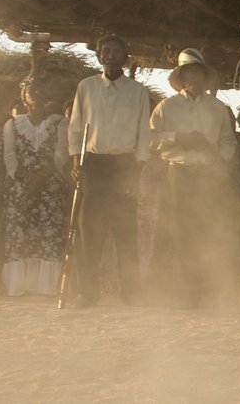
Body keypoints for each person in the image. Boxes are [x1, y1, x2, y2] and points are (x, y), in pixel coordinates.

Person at [150, 49, 239, 307]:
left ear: (204, 76)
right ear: (180, 76)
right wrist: (177, 137)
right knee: (181, 232)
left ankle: (209, 289)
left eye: (198, 72)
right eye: (188, 72)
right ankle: (185, 291)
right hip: (179, 174)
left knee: (209, 231)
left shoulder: (218, 108)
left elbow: (227, 141)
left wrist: (219, 163)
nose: (194, 76)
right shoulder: (167, 107)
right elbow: (150, 138)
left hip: (209, 175)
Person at [68, 35, 151, 307]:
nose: (110, 55)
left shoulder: (137, 91)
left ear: (126, 59)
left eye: (116, 52)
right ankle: (87, 292)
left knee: (124, 229)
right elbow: (76, 127)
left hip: (124, 165)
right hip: (93, 163)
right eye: (106, 51)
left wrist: (136, 172)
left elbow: (143, 133)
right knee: (88, 229)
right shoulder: (87, 87)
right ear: (99, 56)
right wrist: (75, 161)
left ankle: (131, 292)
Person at [1, 82, 70, 296]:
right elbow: (10, 157)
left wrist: (41, 178)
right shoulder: (12, 126)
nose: (37, 95)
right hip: (22, 187)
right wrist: (28, 178)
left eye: (41, 91)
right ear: (24, 99)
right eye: (32, 93)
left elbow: (61, 155)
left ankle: (46, 287)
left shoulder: (60, 123)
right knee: (21, 232)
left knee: (48, 233)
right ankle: (20, 286)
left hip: (50, 188)